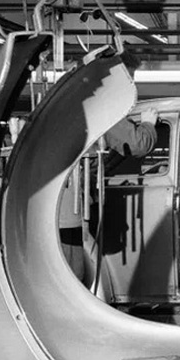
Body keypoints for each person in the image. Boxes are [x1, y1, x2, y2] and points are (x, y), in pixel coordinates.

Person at [59, 107, 159, 281]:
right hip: (67, 205)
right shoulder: (100, 107)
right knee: (70, 274)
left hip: (58, 204)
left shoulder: (70, 109)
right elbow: (138, 143)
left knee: (67, 270)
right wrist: (148, 124)